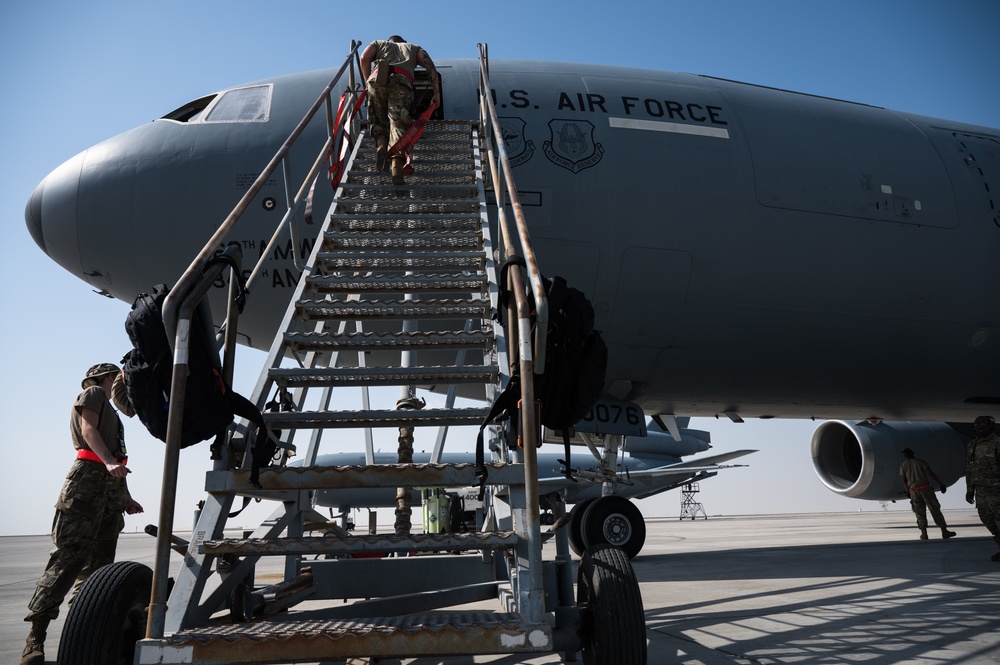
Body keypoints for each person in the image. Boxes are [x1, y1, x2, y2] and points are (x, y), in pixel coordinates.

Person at [20, 363, 143, 665]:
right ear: (106, 378)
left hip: (109, 488)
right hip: (87, 480)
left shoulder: (113, 414)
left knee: (98, 572)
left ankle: (83, 636)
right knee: (67, 561)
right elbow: (89, 430)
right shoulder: (92, 393)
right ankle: (34, 639)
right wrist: (108, 463)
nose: (119, 386)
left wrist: (124, 496)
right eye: (116, 379)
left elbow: (116, 455)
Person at [359, 35, 440, 185]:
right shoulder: (414, 48)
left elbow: (364, 57)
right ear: (403, 42)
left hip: (377, 77)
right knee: (397, 122)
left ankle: (382, 145)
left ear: (390, 42)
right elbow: (429, 66)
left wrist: (367, 81)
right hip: (401, 80)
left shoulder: (379, 43)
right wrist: (436, 93)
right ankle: (396, 165)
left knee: (378, 119)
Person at [899, 448, 956, 540]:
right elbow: (930, 473)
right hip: (925, 489)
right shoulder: (920, 462)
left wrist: (909, 491)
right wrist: (940, 483)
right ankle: (944, 531)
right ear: (913, 453)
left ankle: (924, 534)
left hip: (914, 491)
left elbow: (904, 481)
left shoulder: (903, 466)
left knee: (919, 512)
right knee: (935, 510)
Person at [966, 415, 1000, 561]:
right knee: (987, 520)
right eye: (976, 425)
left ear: (991, 426)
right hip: (980, 491)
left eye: (982, 424)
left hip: (996, 489)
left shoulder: (997, 443)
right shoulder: (972, 445)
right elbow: (969, 469)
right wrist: (969, 489)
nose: (979, 427)